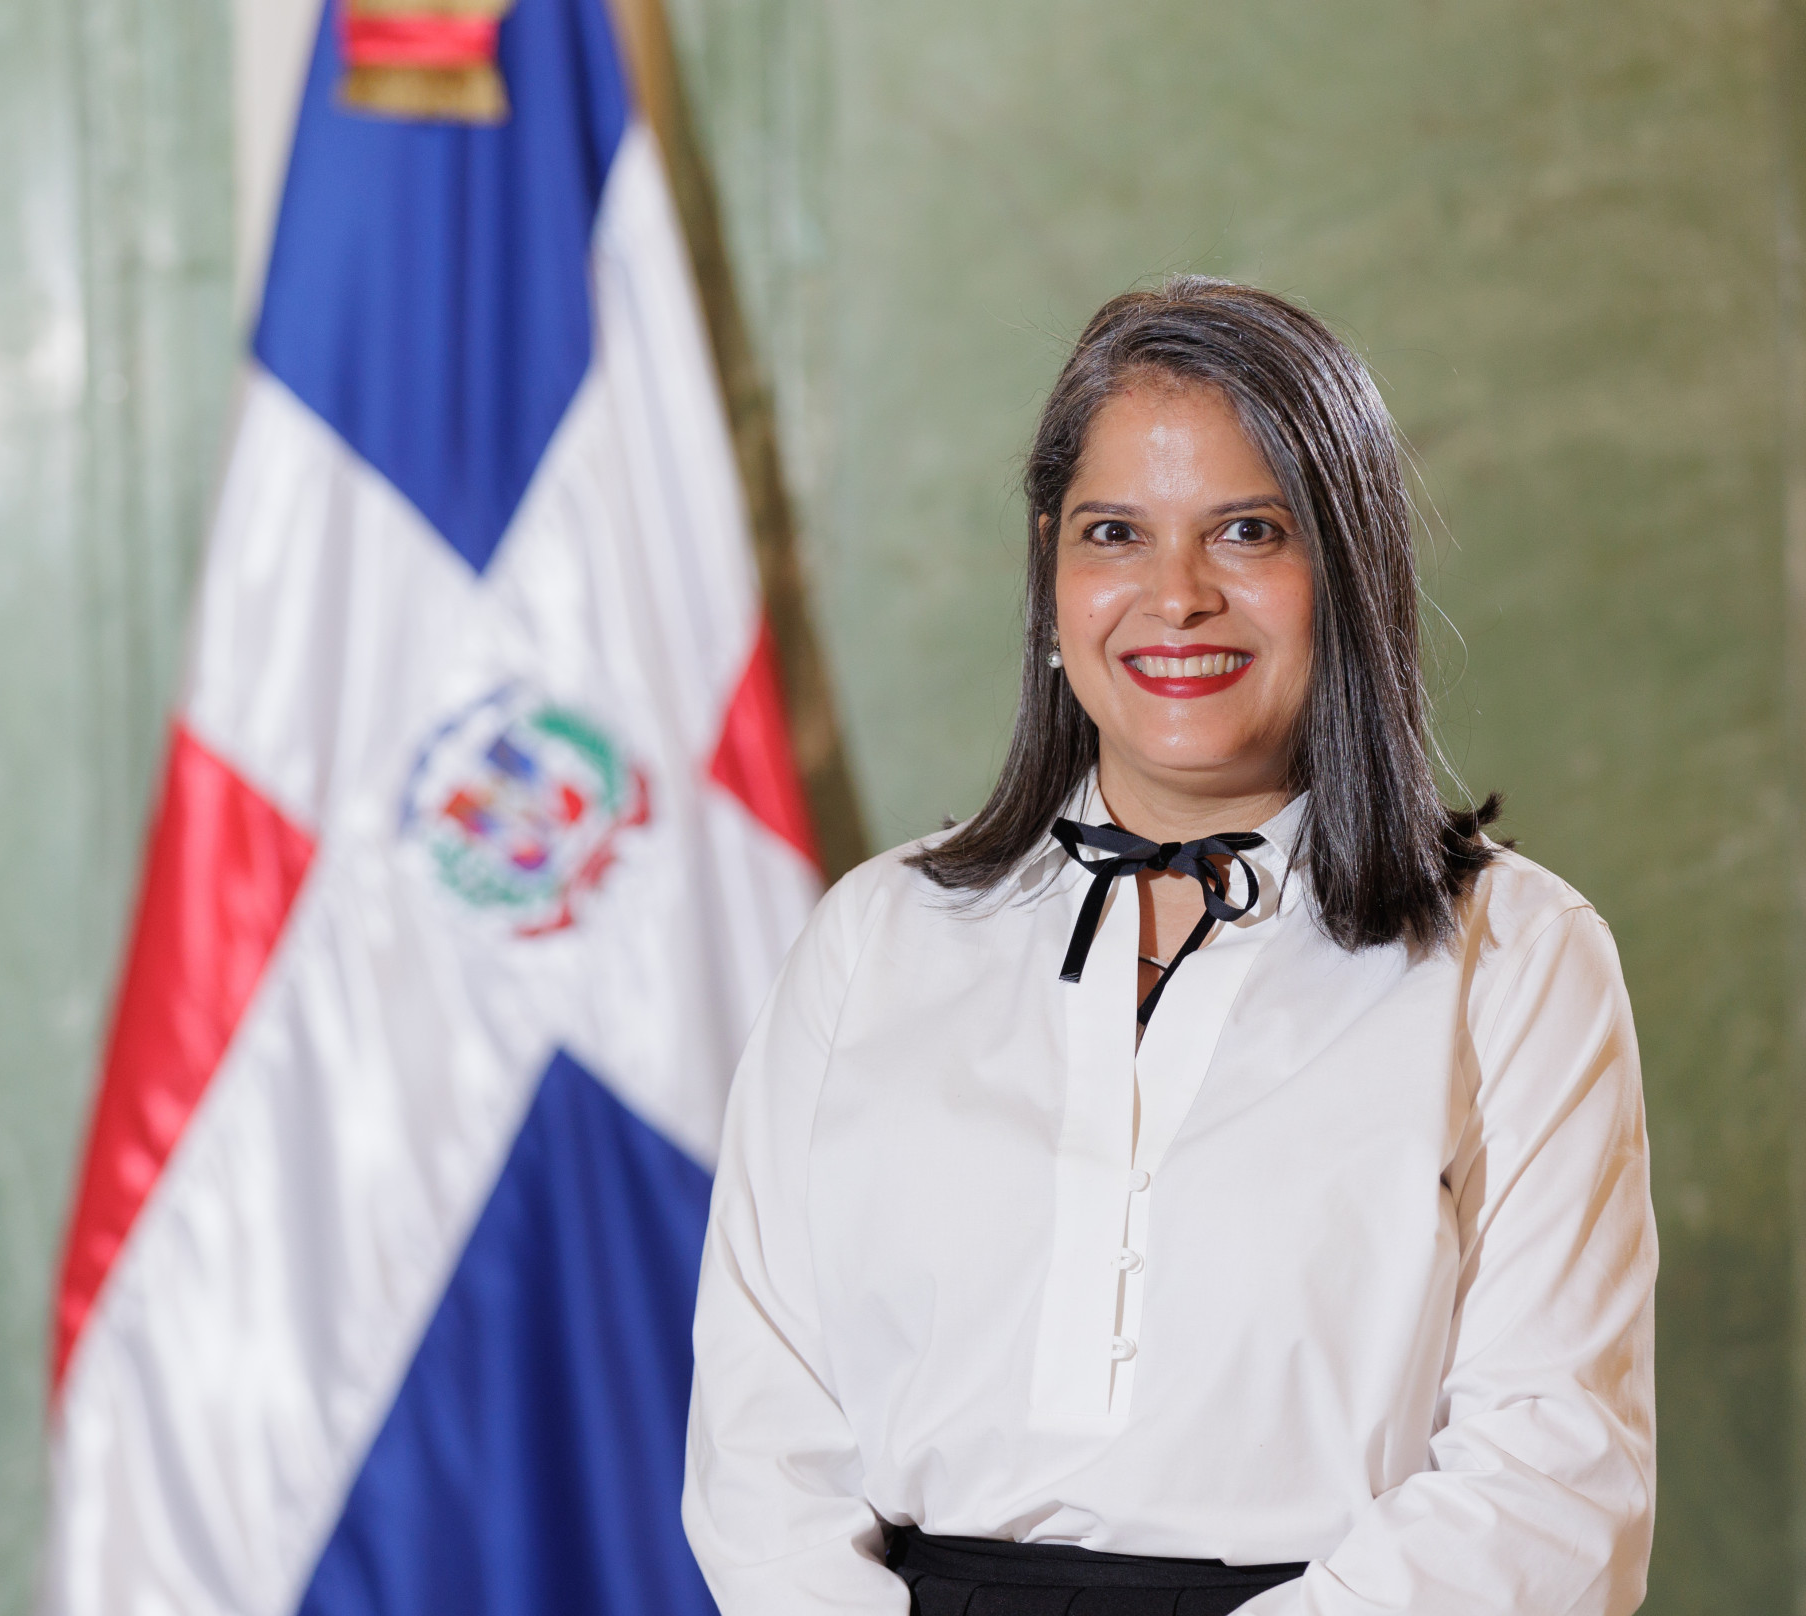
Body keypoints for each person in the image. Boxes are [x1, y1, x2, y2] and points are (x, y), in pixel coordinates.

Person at [682, 278, 1655, 1616]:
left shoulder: (1520, 959)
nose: (1177, 596)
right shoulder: (875, 936)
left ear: (1346, 569)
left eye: (1249, 531)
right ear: (1051, 573)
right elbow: (762, 1436)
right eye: (1115, 534)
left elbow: (1555, 1481)